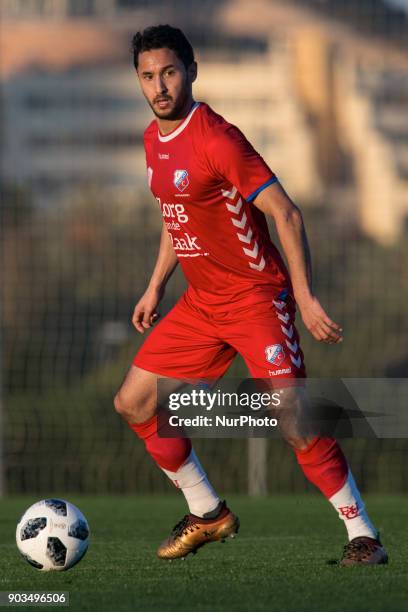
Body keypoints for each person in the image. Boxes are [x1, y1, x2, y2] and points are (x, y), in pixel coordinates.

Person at [114, 24, 387, 566]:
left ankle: (364, 537)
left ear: (191, 70)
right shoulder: (153, 140)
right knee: (135, 402)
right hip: (201, 303)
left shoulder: (217, 138)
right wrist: (155, 286)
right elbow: (177, 214)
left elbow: (286, 212)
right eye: (148, 76)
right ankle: (207, 512)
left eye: (169, 72)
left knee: (294, 419)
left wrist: (304, 299)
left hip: (256, 299)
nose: (160, 86)